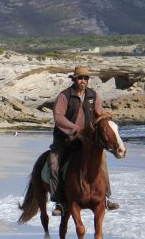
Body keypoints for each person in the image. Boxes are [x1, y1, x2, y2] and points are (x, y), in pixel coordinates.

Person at [49, 66, 119, 215]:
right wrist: (75, 129)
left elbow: (99, 115)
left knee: (102, 160)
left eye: (85, 78)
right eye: (80, 78)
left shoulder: (93, 95)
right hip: (65, 140)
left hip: (87, 140)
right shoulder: (65, 96)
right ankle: (59, 202)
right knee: (54, 164)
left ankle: (106, 197)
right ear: (74, 79)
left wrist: (105, 121)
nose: (83, 81)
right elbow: (58, 117)